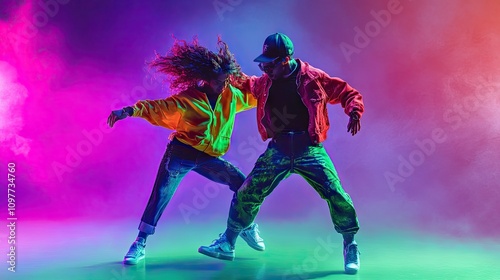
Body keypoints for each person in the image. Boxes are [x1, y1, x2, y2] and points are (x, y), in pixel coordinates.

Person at [198, 33, 364, 274]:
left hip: (309, 149)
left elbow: (347, 92)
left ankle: (350, 245)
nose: (265, 67)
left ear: (286, 60)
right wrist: (222, 71)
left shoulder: (313, 78)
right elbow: (245, 82)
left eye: (270, 62)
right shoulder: (265, 82)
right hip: (279, 149)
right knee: (248, 191)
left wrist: (354, 111)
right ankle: (229, 242)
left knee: (336, 193)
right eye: (263, 62)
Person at [107, 37, 265, 265]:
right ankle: (139, 243)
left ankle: (246, 224)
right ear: (207, 80)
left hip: (209, 158)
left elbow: (259, 93)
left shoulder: (231, 95)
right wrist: (130, 110)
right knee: (160, 195)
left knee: (242, 184)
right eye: (220, 82)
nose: (224, 85)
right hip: (181, 154)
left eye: (226, 80)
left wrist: (278, 82)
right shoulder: (187, 101)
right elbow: (158, 107)